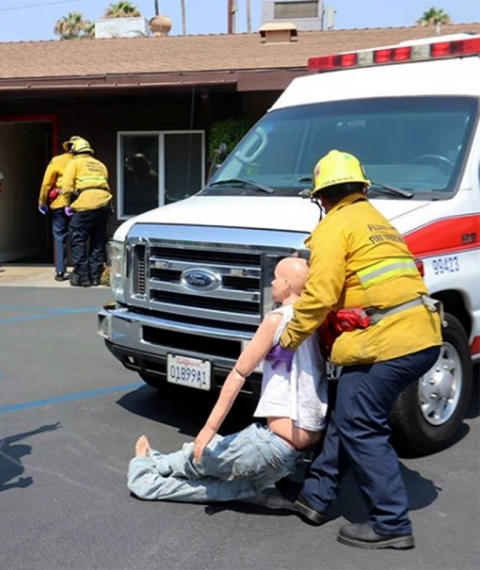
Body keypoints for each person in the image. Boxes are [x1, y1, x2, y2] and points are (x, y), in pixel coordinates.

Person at [273, 150, 442, 550]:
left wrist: (288, 340)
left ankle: (391, 523)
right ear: (362, 188)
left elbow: (320, 295)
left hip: (390, 341)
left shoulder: (334, 226)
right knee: (348, 414)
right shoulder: (379, 222)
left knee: (361, 425)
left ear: (321, 197)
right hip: (419, 334)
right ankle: (315, 497)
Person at [127, 257, 328, 504]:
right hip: (292, 454)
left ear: (287, 284)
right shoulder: (315, 320)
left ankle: (145, 464)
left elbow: (239, 373)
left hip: (271, 446)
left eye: (275, 278)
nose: (272, 283)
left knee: (196, 459)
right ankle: (147, 478)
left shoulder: (277, 319)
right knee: (217, 489)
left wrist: (208, 429)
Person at [60, 136, 112, 287]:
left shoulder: (74, 163)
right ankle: (95, 276)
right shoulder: (100, 164)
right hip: (104, 203)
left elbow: (67, 186)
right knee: (98, 239)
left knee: (77, 237)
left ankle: (83, 277)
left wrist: (66, 204)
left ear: (75, 150)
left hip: (86, 203)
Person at [37, 139, 75, 281]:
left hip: (59, 203)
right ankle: (80, 269)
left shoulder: (58, 160)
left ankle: (60, 271)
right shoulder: (85, 162)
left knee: (60, 236)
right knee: (79, 236)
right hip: (79, 203)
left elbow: (47, 182)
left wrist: (42, 201)